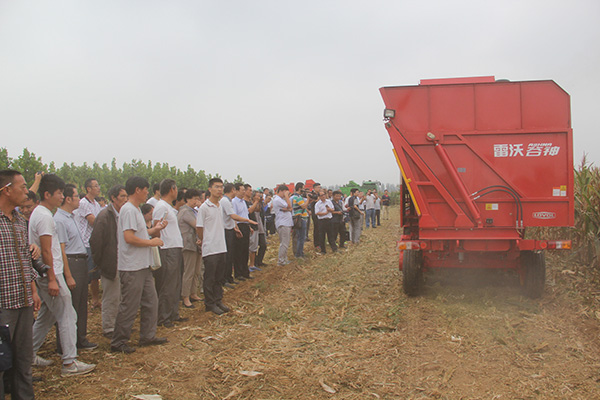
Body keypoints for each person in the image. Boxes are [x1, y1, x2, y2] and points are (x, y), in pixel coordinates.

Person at [30, 174, 96, 376]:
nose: (61, 196)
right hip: (52, 273)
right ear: (47, 194)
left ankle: (28, 353)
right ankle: (69, 362)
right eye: (59, 193)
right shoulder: (44, 216)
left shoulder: (42, 214)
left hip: (50, 273)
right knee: (68, 315)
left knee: (46, 317)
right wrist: (52, 278)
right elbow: (47, 250)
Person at [111, 176, 167, 354]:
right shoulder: (128, 210)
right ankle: (119, 341)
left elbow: (140, 233)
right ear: (137, 190)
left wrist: (155, 230)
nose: (147, 193)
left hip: (143, 265)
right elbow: (129, 238)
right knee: (130, 305)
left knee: (151, 301)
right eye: (145, 190)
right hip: (132, 267)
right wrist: (152, 242)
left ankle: (148, 336)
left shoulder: (134, 210)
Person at [0, 170, 41, 399]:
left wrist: (33, 290)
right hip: (3, 303)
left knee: (23, 360)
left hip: (23, 301)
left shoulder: (19, 221)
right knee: (1, 361)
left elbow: (25, 259)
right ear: (7, 189)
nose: (27, 192)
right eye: (23, 187)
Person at [54, 184, 97, 351]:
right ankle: (65, 345)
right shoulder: (59, 220)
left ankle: (80, 339)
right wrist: (68, 274)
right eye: (76, 196)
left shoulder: (70, 217)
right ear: (68, 199)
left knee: (80, 303)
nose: (79, 199)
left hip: (80, 261)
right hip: (72, 262)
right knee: (69, 305)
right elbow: (61, 249)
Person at [89, 185, 127, 339]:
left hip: (123, 262)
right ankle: (109, 328)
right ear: (113, 198)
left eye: (126, 196)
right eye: (122, 196)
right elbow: (95, 241)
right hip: (111, 263)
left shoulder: (123, 214)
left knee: (120, 296)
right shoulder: (105, 216)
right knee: (111, 297)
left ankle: (117, 325)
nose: (125, 199)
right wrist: (102, 262)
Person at [152, 179, 185, 328]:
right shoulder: (161, 206)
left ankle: (173, 313)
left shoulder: (168, 207)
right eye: (176, 188)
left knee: (176, 283)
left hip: (175, 248)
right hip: (167, 249)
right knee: (167, 284)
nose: (177, 191)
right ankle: (163, 317)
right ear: (172, 190)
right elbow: (156, 228)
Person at [196, 178, 230, 315]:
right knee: (210, 277)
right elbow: (199, 228)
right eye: (216, 187)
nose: (220, 189)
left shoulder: (220, 206)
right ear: (210, 189)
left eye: (221, 187)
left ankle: (218, 300)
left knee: (219, 277)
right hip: (210, 248)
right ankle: (209, 303)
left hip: (221, 246)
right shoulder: (204, 208)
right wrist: (206, 240)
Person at [74, 178, 102, 308]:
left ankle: (95, 300)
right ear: (88, 189)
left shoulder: (96, 204)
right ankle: (83, 301)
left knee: (95, 275)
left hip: (94, 242)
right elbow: (93, 221)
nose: (98, 188)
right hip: (85, 243)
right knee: (86, 274)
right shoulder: (83, 203)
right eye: (95, 186)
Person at [177, 189, 203, 309]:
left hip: (196, 245)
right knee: (189, 271)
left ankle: (193, 293)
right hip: (188, 245)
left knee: (196, 270)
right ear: (187, 199)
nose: (196, 201)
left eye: (198, 199)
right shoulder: (185, 212)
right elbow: (198, 225)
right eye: (194, 199)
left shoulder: (193, 211)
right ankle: (185, 297)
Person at [232, 183, 253, 280]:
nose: (244, 192)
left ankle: (245, 272)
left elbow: (245, 215)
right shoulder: (234, 202)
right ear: (236, 191)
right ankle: (238, 273)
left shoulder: (243, 202)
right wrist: (236, 228)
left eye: (244, 190)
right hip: (239, 226)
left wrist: (249, 227)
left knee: (245, 250)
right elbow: (234, 217)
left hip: (245, 226)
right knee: (239, 251)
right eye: (242, 190)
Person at [272, 184, 293, 266]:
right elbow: (289, 206)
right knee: (284, 243)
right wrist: (287, 196)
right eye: (285, 192)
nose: (286, 194)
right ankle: (281, 261)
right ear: (281, 191)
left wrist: (287, 208)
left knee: (286, 243)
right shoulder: (277, 199)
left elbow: (289, 208)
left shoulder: (281, 199)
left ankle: (284, 259)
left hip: (286, 223)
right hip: (283, 223)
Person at [291, 182, 308, 258]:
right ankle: (299, 254)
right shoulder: (297, 197)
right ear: (300, 188)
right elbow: (304, 206)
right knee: (301, 237)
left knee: (300, 237)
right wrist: (308, 199)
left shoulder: (296, 196)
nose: (304, 190)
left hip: (299, 218)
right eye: (303, 188)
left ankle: (300, 253)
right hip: (300, 218)